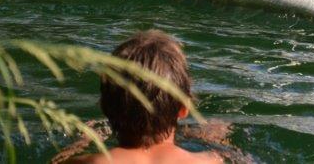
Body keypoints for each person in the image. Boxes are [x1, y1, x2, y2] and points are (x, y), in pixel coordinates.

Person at [64, 30, 220, 163]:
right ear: (183, 108)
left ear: (105, 106)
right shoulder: (210, 160)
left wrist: (81, 142)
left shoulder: (89, 162)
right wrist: (214, 143)